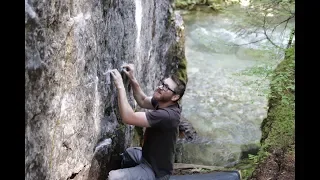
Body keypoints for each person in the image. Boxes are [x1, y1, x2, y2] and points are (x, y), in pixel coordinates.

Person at [108, 64, 186, 180]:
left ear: (175, 97)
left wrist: (120, 86)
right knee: (128, 154)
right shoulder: (164, 103)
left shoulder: (167, 116)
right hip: (148, 157)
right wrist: (132, 78)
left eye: (166, 87)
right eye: (162, 83)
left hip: (155, 172)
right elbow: (143, 100)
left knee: (113, 176)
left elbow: (128, 117)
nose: (160, 87)